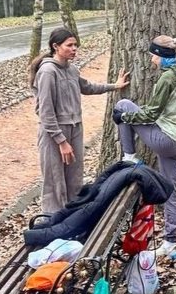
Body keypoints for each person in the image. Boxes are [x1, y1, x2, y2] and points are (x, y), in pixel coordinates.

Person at [30, 28, 129, 214]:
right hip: (53, 133)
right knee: (54, 180)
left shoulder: (72, 69)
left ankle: (73, 218)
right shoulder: (48, 71)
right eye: (69, 45)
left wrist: (114, 86)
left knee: (74, 179)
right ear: (55, 46)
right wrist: (61, 141)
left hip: (75, 128)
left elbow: (88, 87)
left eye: (75, 45)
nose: (74, 49)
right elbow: (45, 111)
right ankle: (52, 220)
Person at [112, 35, 176, 260]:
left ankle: (129, 156)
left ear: (162, 56)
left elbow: (151, 114)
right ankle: (170, 242)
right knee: (170, 191)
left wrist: (124, 117)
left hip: (166, 139)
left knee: (123, 105)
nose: (151, 60)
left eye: (153, 56)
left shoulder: (167, 78)